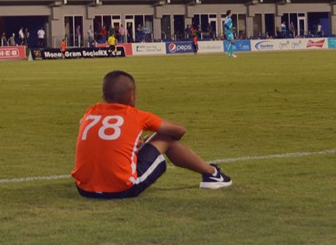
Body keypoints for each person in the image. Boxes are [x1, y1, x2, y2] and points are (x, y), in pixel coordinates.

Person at [72, 70, 231, 199]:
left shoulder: (90, 112)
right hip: (121, 189)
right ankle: (212, 173)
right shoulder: (136, 115)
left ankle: (211, 173)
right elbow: (179, 131)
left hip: (84, 188)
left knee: (148, 142)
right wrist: (152, 139)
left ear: (103, 96)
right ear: (132, 95)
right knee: (165, 138)